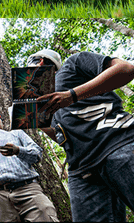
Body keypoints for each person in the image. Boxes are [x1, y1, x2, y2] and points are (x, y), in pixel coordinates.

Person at [31, 49, 134, 221]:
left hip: (118, 143)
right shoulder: (47, 101)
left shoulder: (73, 63)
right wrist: (36, 120)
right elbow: (60, 139)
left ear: (40, 61)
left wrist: (71, 95)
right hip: (82, 170)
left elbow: (126, 68)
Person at [0, 108, 59, 222]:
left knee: (45, 216)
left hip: (27, 188)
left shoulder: (16, 133)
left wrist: (18, 150)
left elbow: (37, 154)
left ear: (2, 122)